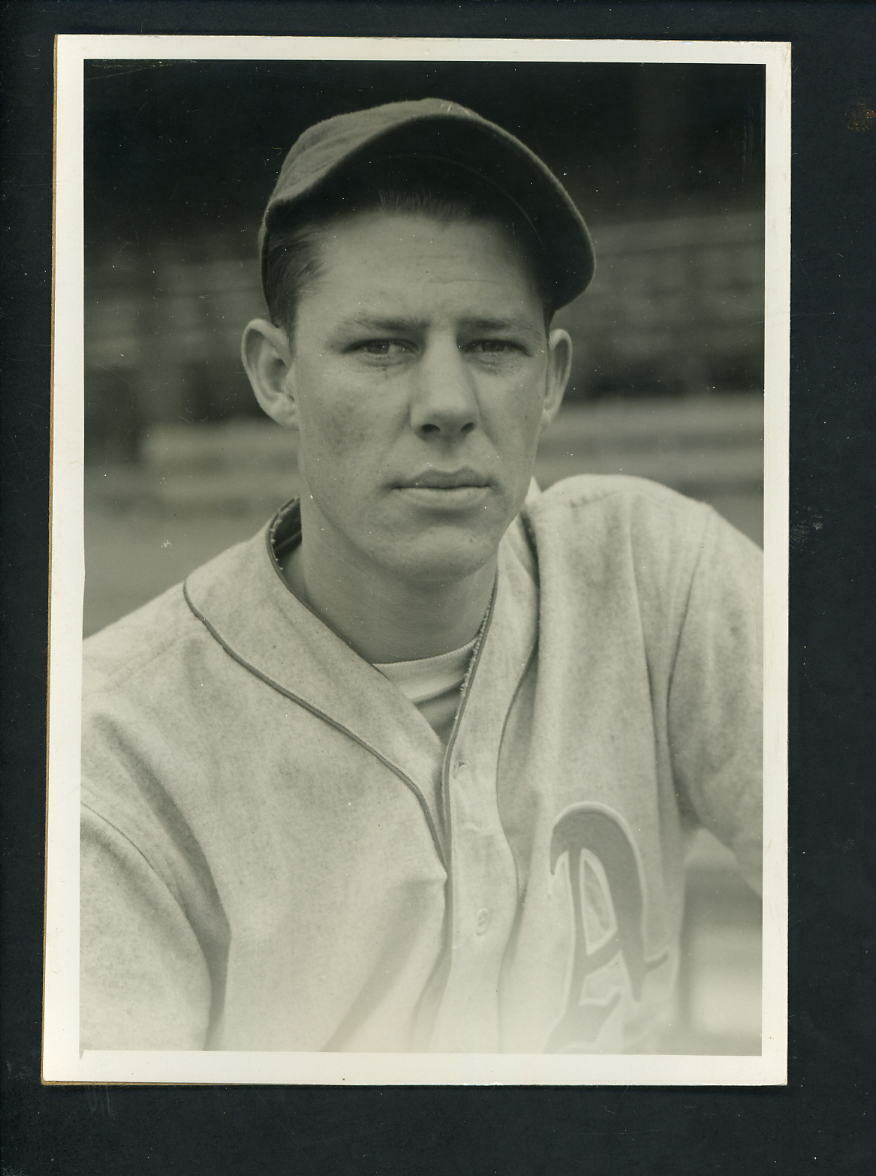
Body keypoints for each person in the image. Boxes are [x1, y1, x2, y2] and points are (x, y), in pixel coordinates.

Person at [81, 98, 762, 1054]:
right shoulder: (110, 743)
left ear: (552, 378)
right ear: (276, 375)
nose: (447, 402)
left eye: (492, 346)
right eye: (381, 346)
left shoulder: (659, 578)